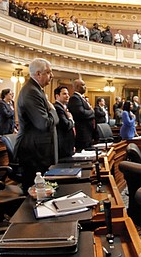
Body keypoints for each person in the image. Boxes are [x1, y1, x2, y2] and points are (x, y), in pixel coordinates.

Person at [15, 58, 58, 190]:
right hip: (33, 153)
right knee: (35, 196)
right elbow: (44, 123)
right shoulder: (31, 91)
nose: (52, 76)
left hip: (37, 150)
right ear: (38, 74)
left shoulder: (36, 89)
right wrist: (53, 110)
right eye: (49, 72)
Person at [68, 79, 96, 150]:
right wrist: (92, 111)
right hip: (82, 133)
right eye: (83, 85)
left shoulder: (81, 98)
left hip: (88, 132)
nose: (85, 87)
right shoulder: (75, 98)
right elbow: (82, 113)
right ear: (77, 87)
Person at [54, 85, 75, 159]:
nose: (67, 96)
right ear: (57, 96)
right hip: (63, 145)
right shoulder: (57, 108)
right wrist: (71, 120)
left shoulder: (64, 107)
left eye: (68, 94)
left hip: (68, 144)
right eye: (64, 94)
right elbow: (66, 125)